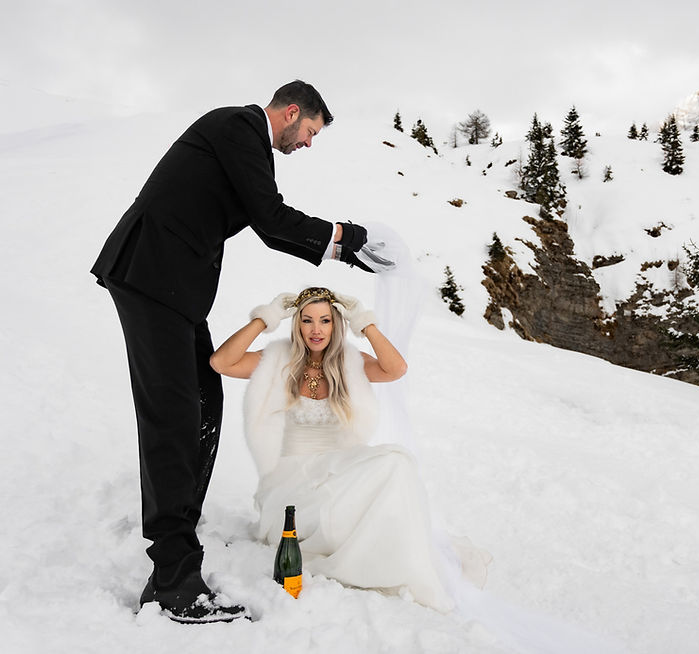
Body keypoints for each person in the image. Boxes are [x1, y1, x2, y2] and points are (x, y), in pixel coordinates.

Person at [91, 81, 391, 623]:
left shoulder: (243, 140)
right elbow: (272, 221)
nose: (307, 144)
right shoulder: (238, 128)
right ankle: (172, 581)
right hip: (150, 277)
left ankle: (181, 525)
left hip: (175, 291)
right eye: (311, 131)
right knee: (172, 418)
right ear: (292, 111)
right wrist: (346, 239)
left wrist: (344, 250)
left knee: (205, 402)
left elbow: (265, 221)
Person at [210, 287, 489, 611]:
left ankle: (400, 559)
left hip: (337, 469)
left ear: (336, 324)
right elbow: (221, 361)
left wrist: (364, 323)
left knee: (397, 463)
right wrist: (267, 317)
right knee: (389, 469)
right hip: (289, 486)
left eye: (325, 320)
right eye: (308, 320)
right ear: (297, 325)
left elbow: (396, 368)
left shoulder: (349, 363)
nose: (316, 330)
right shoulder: (276, 360)